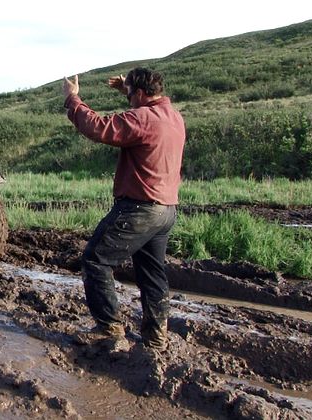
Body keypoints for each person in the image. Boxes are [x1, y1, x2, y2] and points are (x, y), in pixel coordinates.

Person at [62, 68, 185, 352]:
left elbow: (98, 127)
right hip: (166, 210)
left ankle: (108, 329)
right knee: (152, 273)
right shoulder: (175, 117)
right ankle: (156, 338)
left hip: (139, 209)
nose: (127, 97)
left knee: (95, 259)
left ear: (140, 94)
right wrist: (125, 90)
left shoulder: (142, 118)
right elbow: (144, 113)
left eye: (130, 93)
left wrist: (73, 99)